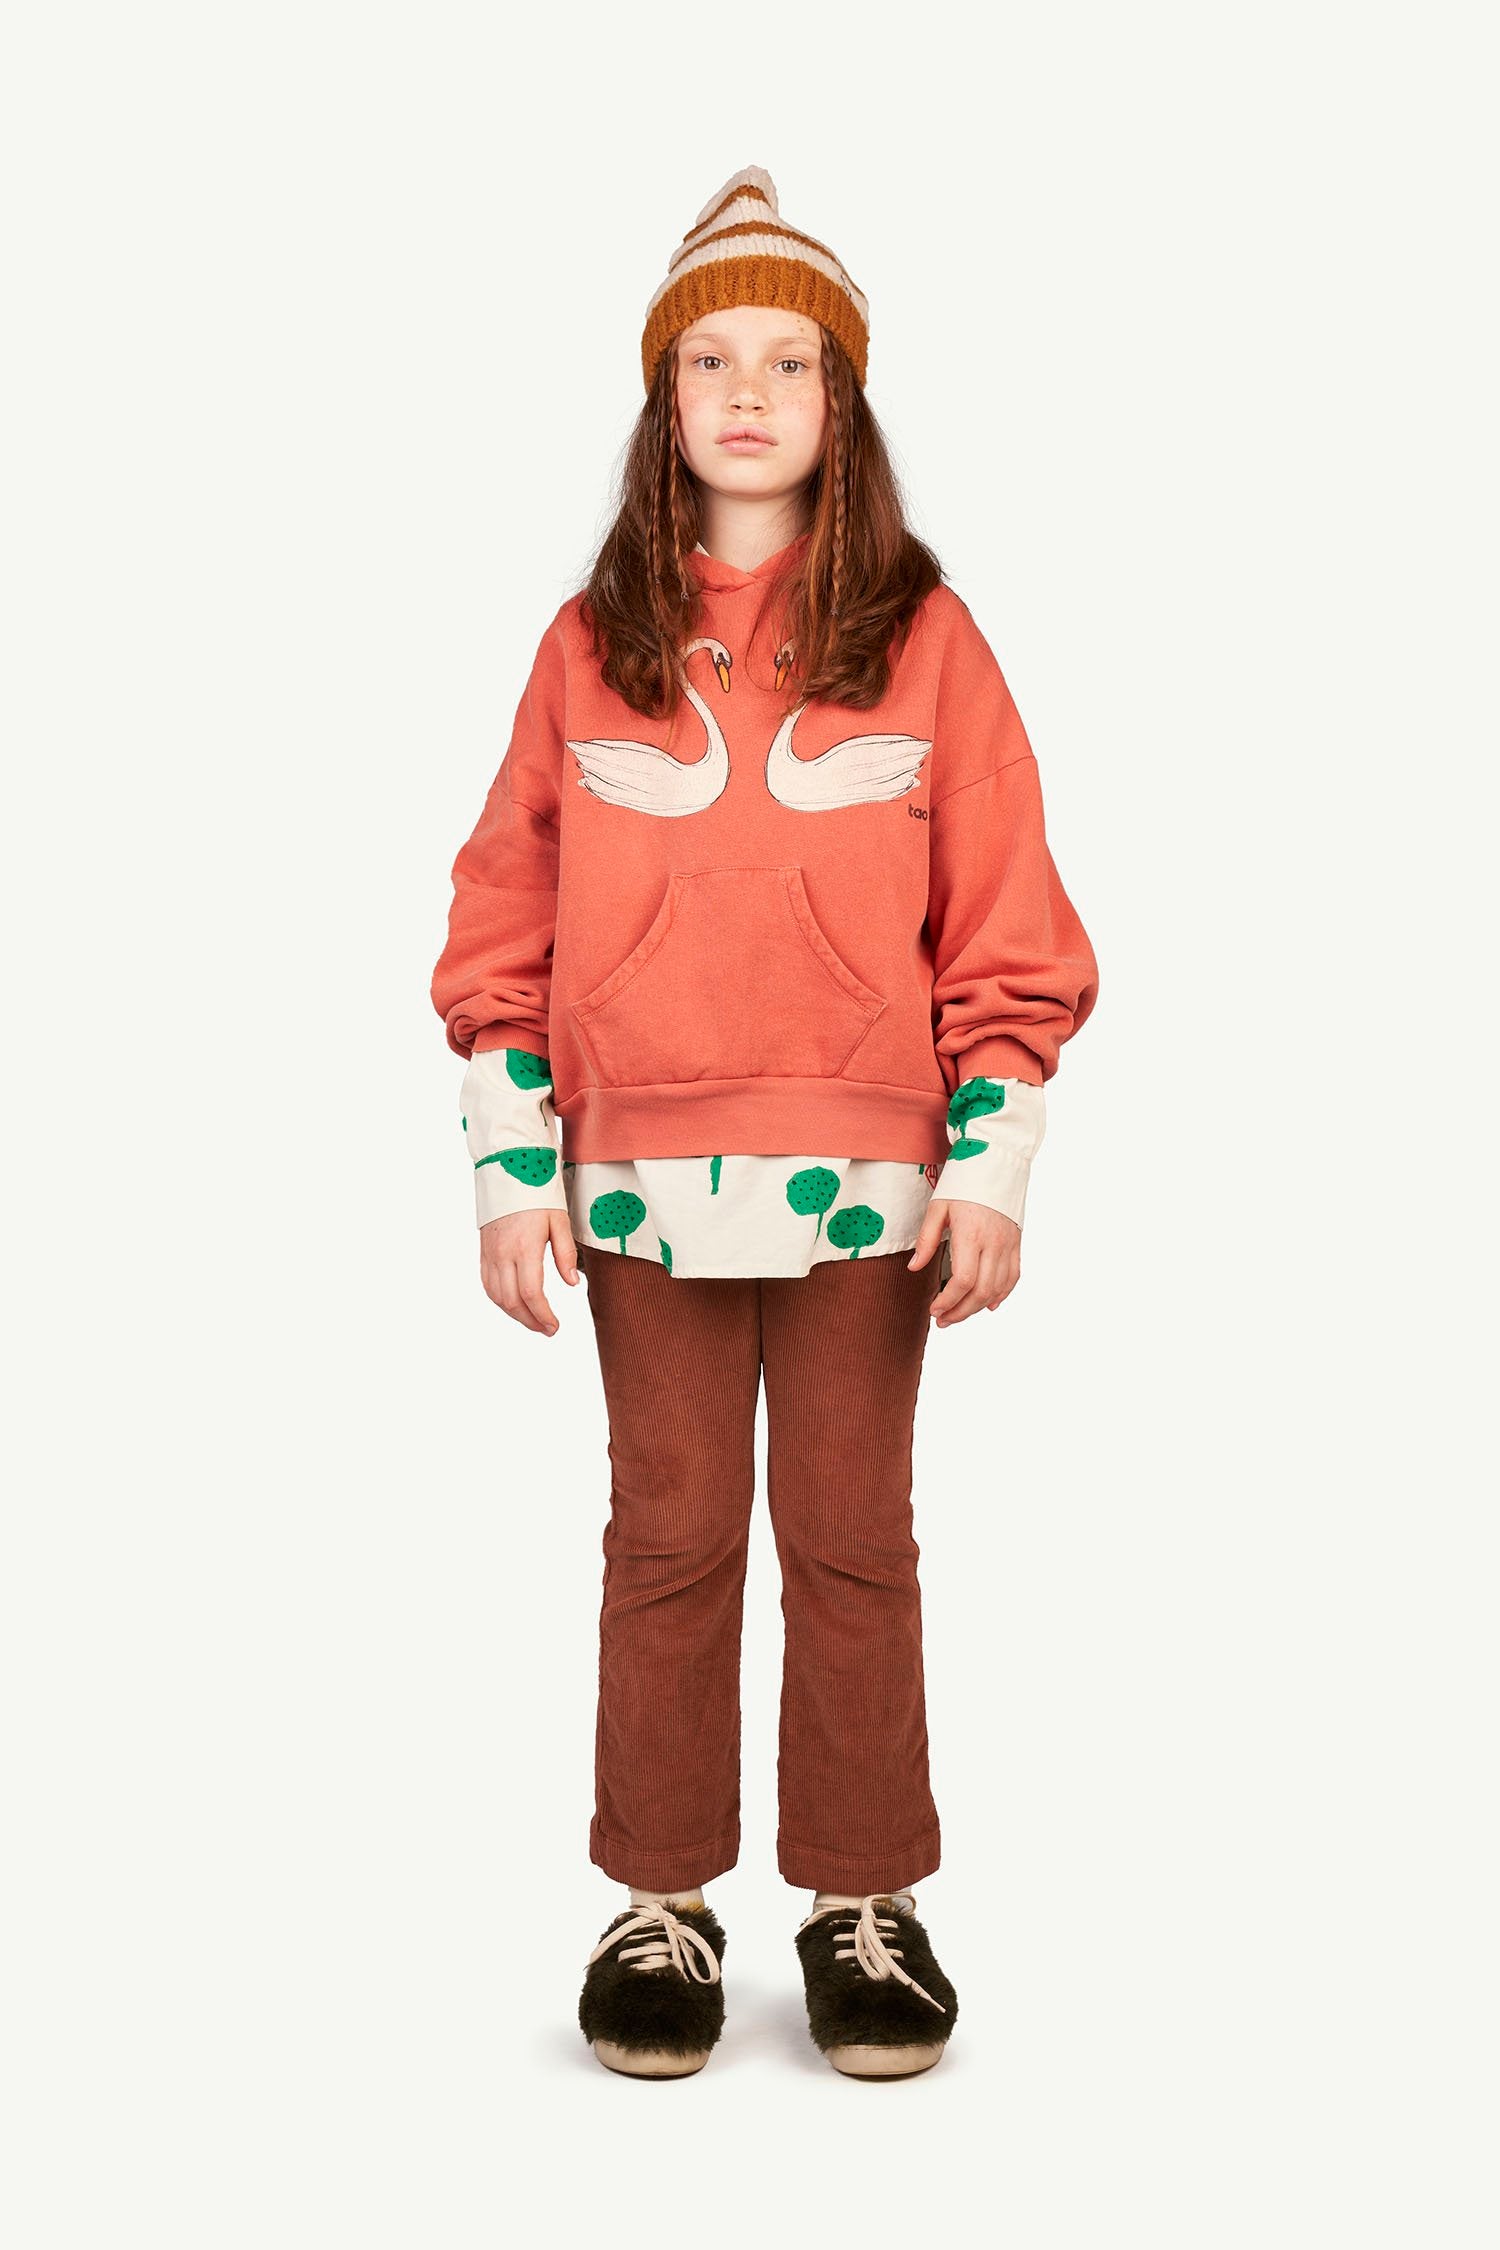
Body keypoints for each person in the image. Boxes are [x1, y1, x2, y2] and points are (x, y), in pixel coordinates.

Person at [429, 165, 1100, 2081]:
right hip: (635, 1180)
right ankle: (661, 1898)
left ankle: (863, 1899)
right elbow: (500, 919)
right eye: (709, 359)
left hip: (870, 1180)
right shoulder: (587, 645)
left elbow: (1008, 922)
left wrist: (992, 1165)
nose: (746, 391)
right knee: (669, 1533)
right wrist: (510, 1168)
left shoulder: (930, 640)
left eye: (787, 362)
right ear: (664, 400)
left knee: (852, 1534)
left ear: (841, 401)